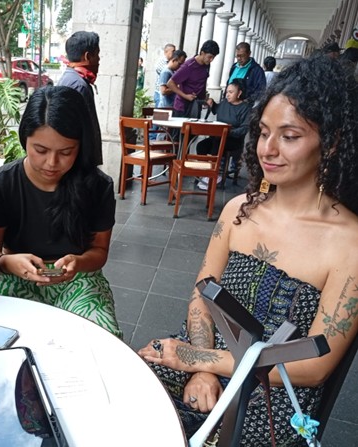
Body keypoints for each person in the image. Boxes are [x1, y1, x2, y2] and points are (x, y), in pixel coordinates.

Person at [138, 55, 358, 445]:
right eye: (263, 132)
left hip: (276, 387)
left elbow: (315, 366)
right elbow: (202, 294)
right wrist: (200, 367)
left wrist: (199, 360)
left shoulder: (348, 241)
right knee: (130, 387)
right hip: (205, 347)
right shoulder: (239, 210)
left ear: (332, 142)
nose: (267, 149)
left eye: (289, 136)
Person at [0, 85, 121, 338]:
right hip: (12, 275)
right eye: (40, 150)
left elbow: (99, 252)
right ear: (25, 139)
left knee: (100, 338)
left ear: (81, 146)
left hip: (78, 279)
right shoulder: (0, 184)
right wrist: (7, 262)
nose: (52, 163)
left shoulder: (97, 186)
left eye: (66, 152)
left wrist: (78, 263)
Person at [196, 78, 251, 190]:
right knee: (201, 146)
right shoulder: (225, 103)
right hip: (218, 136)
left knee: (217, 143)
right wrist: (211, 102)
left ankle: (215, 174)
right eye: (227, 92)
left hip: (233, 140)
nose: (227, 95)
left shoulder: (245, 108)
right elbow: (216, 109)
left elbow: (245, 128)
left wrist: (228, 132)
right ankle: (205, 171)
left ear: (239, 93)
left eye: (231, 92)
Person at [57, 31, 102, 165]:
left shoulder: (70, 78)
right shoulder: (78, 85)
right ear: (87, 56)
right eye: (97, 54)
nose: (99, 60)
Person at [167, 40, 220, 118]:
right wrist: (185, 96)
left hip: (196, 106)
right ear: (202, 53)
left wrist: (206, 99)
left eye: (213, 57)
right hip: (182, 108)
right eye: (209, 57)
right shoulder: (188, 66)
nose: (211, 60)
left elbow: (202, 83)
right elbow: (170, 83)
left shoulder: (206, 65)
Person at [154, 43, 176, 107]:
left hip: (168, 93)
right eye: (173, 51)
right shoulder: (161, 63)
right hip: (160, 94)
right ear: (166, 52)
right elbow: (167, 74)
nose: (175, 53)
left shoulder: (172, 63)